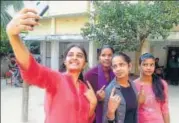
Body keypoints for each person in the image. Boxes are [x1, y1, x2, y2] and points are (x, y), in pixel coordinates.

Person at [6, 8, 97, 123]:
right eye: (70, 55)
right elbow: (32, 70)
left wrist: (93, 104)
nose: (74, 57)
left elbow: (86, 119)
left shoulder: (85, 88)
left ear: (84, 64)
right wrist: (13, 36)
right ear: (65, 61)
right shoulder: (57, 78)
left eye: (79, 56)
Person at [103, 53, 138, 123]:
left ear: (129, 66)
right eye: (115, 66)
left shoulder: (133, 84)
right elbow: (105, 120)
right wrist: (111, 112)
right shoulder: (110, 91)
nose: (118, 69)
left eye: (121, 64)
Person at [134, 53, 170, 123]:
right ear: (139, 66)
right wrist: (138, 102)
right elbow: (130, 111)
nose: (148, 68)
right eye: (145, 64)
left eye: (151, 65)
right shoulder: (133, 85)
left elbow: (165, 109)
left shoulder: (162, 84)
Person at [84, 45, 115, 123]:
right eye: (103, 55)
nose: (107, 58)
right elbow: (84, 98)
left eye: (110, 55)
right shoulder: (90, 75)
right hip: (95, 116)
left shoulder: (116, 73)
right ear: (99, 57)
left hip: (113, 114)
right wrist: (96, 97)